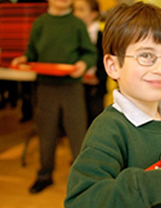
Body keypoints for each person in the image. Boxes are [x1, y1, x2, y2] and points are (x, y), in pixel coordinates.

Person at [65, 2, 161, 208]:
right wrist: (155, 187)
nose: (160, 68)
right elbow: (81, 199)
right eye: (146, 56)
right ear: (113, 66)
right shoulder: (109, 129)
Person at [11, 0, 97, 194]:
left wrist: (83, 64)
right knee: (46, 131)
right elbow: (31, 52)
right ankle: (44, 174)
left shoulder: (77, 24)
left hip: (72, 88)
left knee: (77, 133)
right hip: (45, 86)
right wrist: (24, 59)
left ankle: (83, 180)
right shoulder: (40, 23)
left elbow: (90, 53)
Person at [73, 0, 107, 126]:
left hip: (96, 84)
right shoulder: (73, 34)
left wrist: (98, 77)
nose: (77, 14)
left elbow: (105, 59)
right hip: (77, 83)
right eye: (75, 10)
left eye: (81, 10)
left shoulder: (101, 35)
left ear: (93, 14)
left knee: (95, 116)